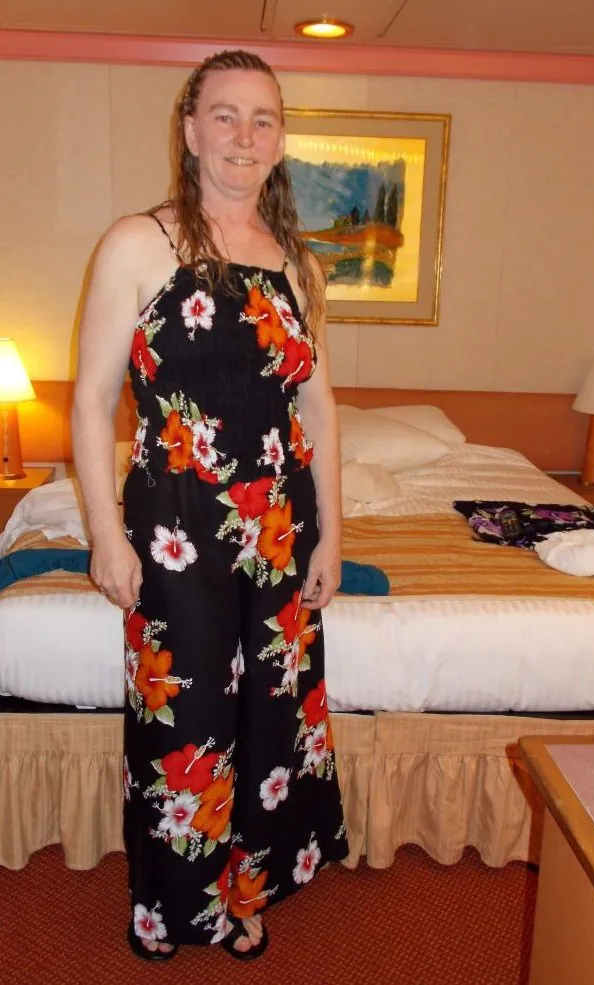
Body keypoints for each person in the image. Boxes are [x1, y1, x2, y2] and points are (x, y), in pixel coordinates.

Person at [71, 48, 347, 962]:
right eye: (224, 115)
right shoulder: (137, 243)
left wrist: (331, 535)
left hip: (280, 525)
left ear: (280, 139)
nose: (244, 135)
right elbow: (88, 397)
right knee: (180, 721)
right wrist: (105, 539)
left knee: (271, 714)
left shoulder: (298, 265)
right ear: (189, 129)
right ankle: (168, 907)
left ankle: (244, 891)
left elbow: (318, 404)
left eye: (262, 118)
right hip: (175, 528)